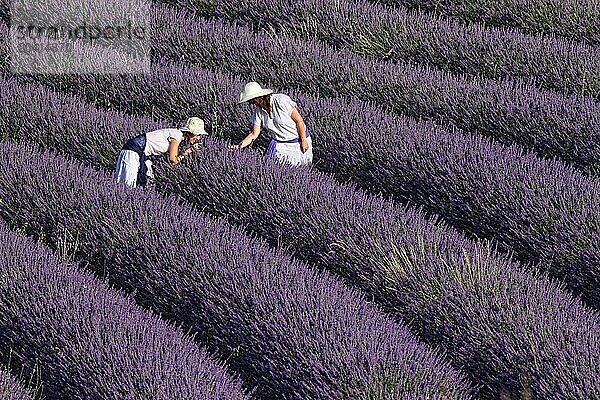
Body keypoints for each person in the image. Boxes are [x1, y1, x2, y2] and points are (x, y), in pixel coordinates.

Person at [232, 82, 312, 166]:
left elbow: (299, 121)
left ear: (259, 98)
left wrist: (303, 140)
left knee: (301, 170)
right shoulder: (258, 112)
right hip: (281, 146)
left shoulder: (281, 101)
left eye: (252, 101)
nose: (251, 104)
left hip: (298, 142)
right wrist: (239, 146)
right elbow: (254, 134)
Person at [114, 117, 208, 188]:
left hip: (142, 153)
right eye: (198, 134)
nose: (198, 138)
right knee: (128, 183)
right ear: (190, 132)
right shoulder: (176, 136)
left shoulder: (178, 135)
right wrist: (188, 151)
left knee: (148, 183)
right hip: (133, 150)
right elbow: (173, 160)